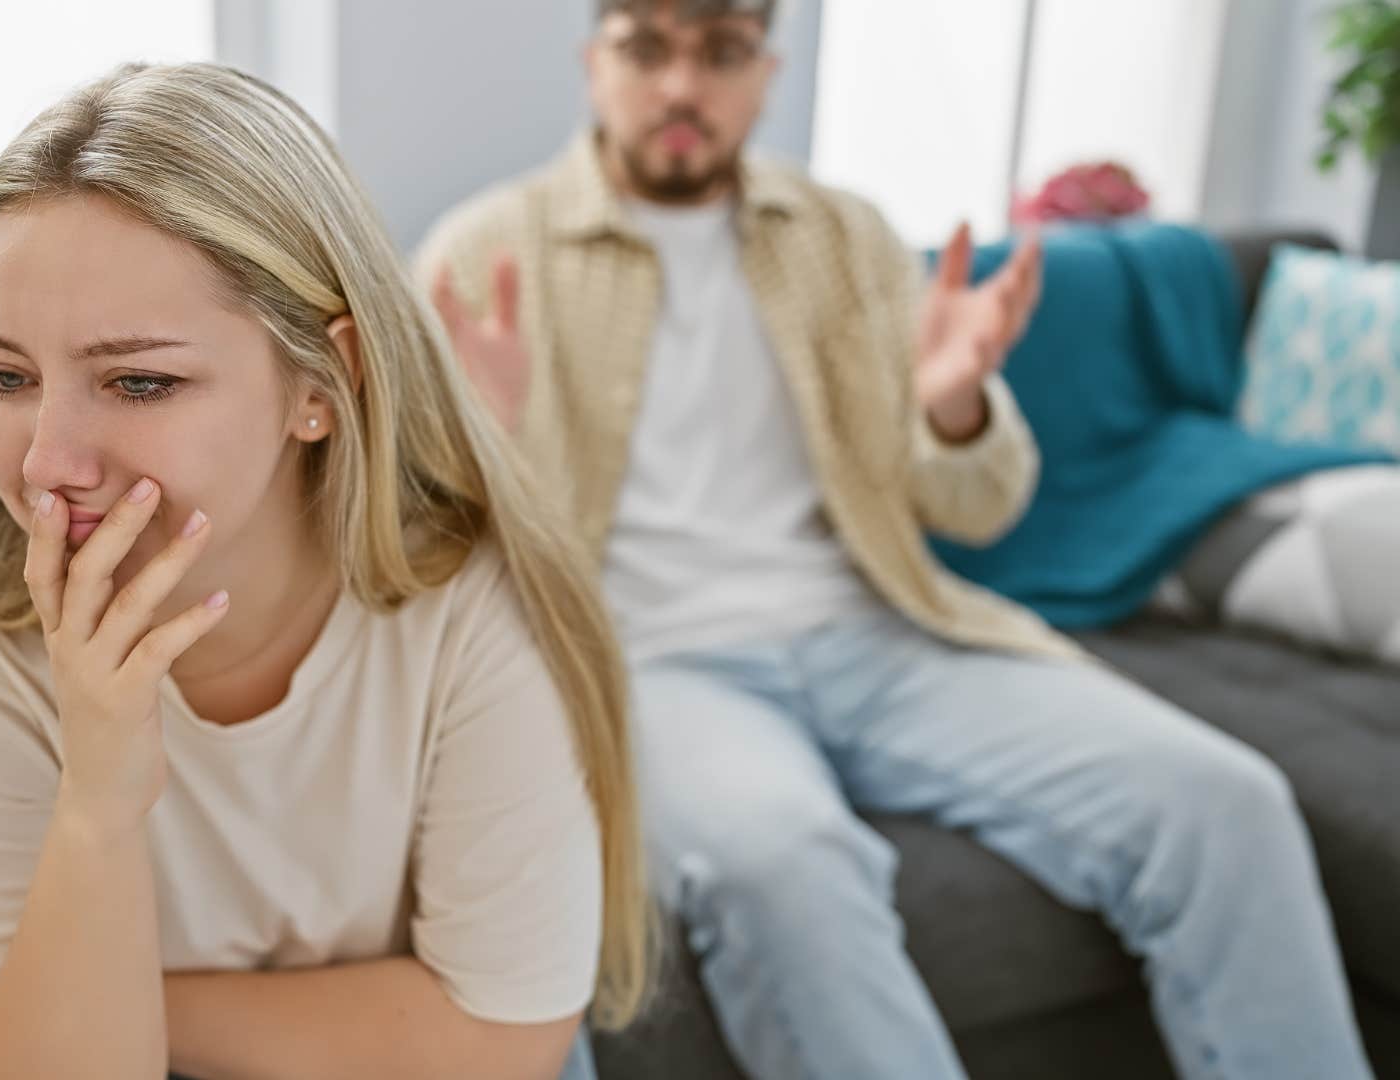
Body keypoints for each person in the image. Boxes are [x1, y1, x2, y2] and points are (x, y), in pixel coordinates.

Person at [414, 2, 1375, 1077]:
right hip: (652, 664)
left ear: (765, 73)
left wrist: (954, 407)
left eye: (720, 54)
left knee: (1225, 802)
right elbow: (410, 556)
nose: (683, 87)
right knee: (784, 861)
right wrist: (473, 453)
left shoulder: (845, 238)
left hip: (883, 631)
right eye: (648, 50)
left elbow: (976, 506)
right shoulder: (484, 253)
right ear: (596, 65)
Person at [0, 62, 650, 1080]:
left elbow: (501, 1042)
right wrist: (97, 800)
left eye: (138, 381)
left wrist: (118, 998)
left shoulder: (476, 610)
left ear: (322, 384)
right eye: (7, 375)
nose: (48, 462)